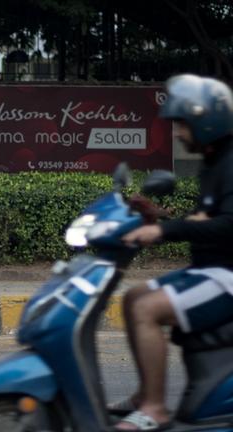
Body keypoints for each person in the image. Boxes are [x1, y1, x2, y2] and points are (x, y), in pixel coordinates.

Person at [115, 74, 233, 431]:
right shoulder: (215, 163)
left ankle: (154, 409)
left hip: (227, 277)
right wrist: (157, 218)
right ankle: (143, 395)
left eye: (183, 124)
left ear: (206, 122)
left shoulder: (231, 164)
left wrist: (165, 229)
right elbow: (204, 221)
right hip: (209, 270)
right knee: (133, 297)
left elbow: (228, 225)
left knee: (148, 309)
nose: (179, 133)